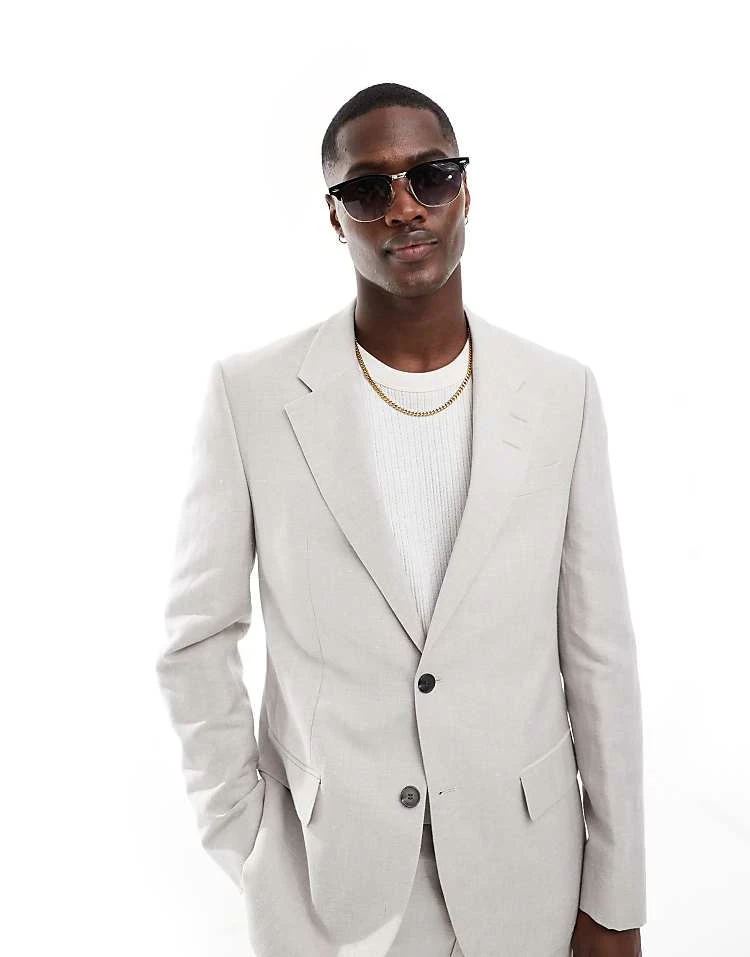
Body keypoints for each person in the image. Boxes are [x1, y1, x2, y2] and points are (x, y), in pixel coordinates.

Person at [155, 82, 646, 957]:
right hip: (327, 890)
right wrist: (250, 837)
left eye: (431, 176)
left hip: (529, 879)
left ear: (466, 192)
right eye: (367, 188)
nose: (404, 207)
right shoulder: (250, 397)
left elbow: (598, 654)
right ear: (334, 216)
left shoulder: (560, 394)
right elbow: (195, 639)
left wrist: (616, 895)